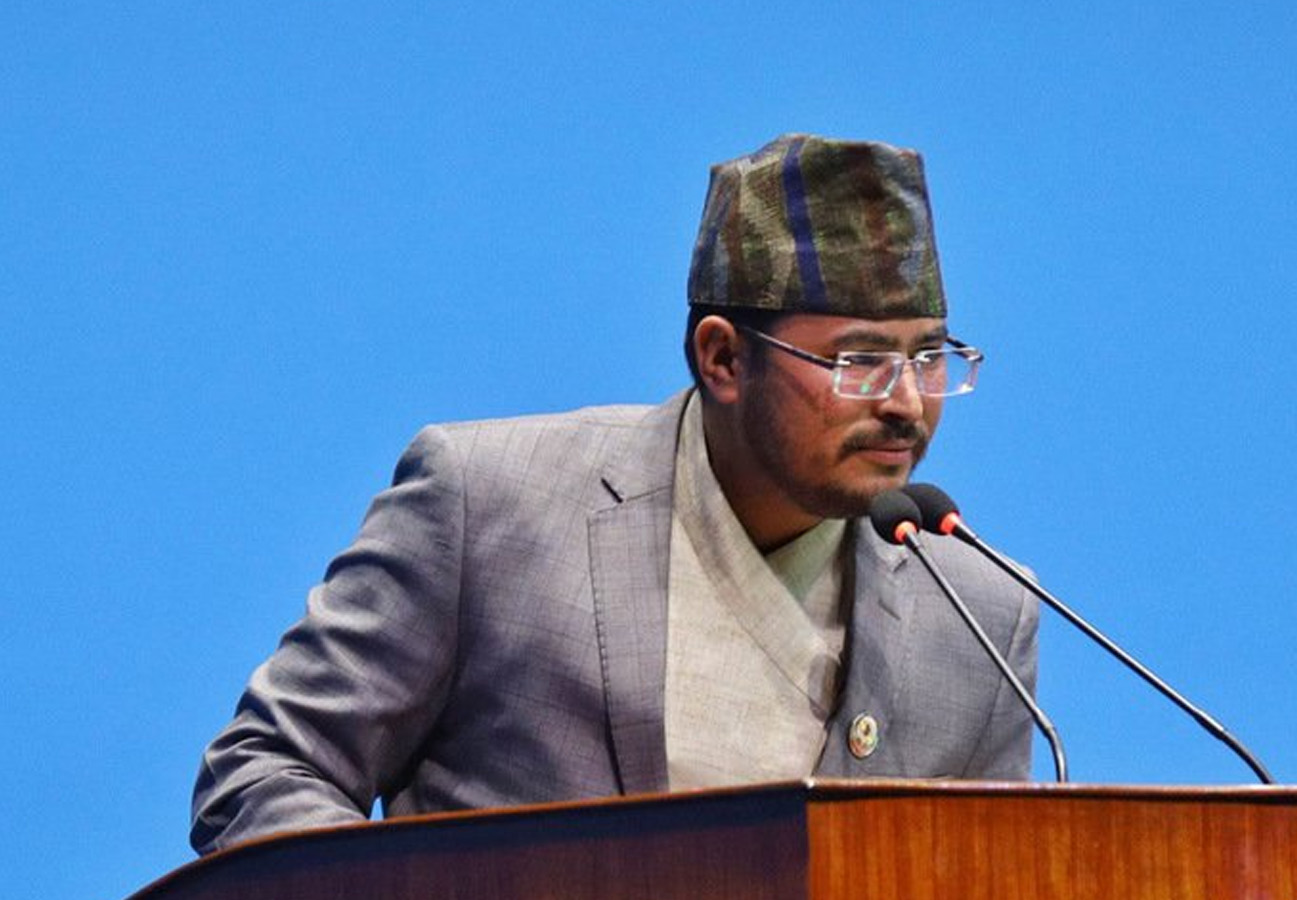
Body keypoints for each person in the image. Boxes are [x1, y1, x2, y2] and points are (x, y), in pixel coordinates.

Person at [190, 133, 1040, 855]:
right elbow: (264, 771)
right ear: (723, 358)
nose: (906, 402)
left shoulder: (979, 619)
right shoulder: (492, 506)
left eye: (929, 358)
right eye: (859, 362)